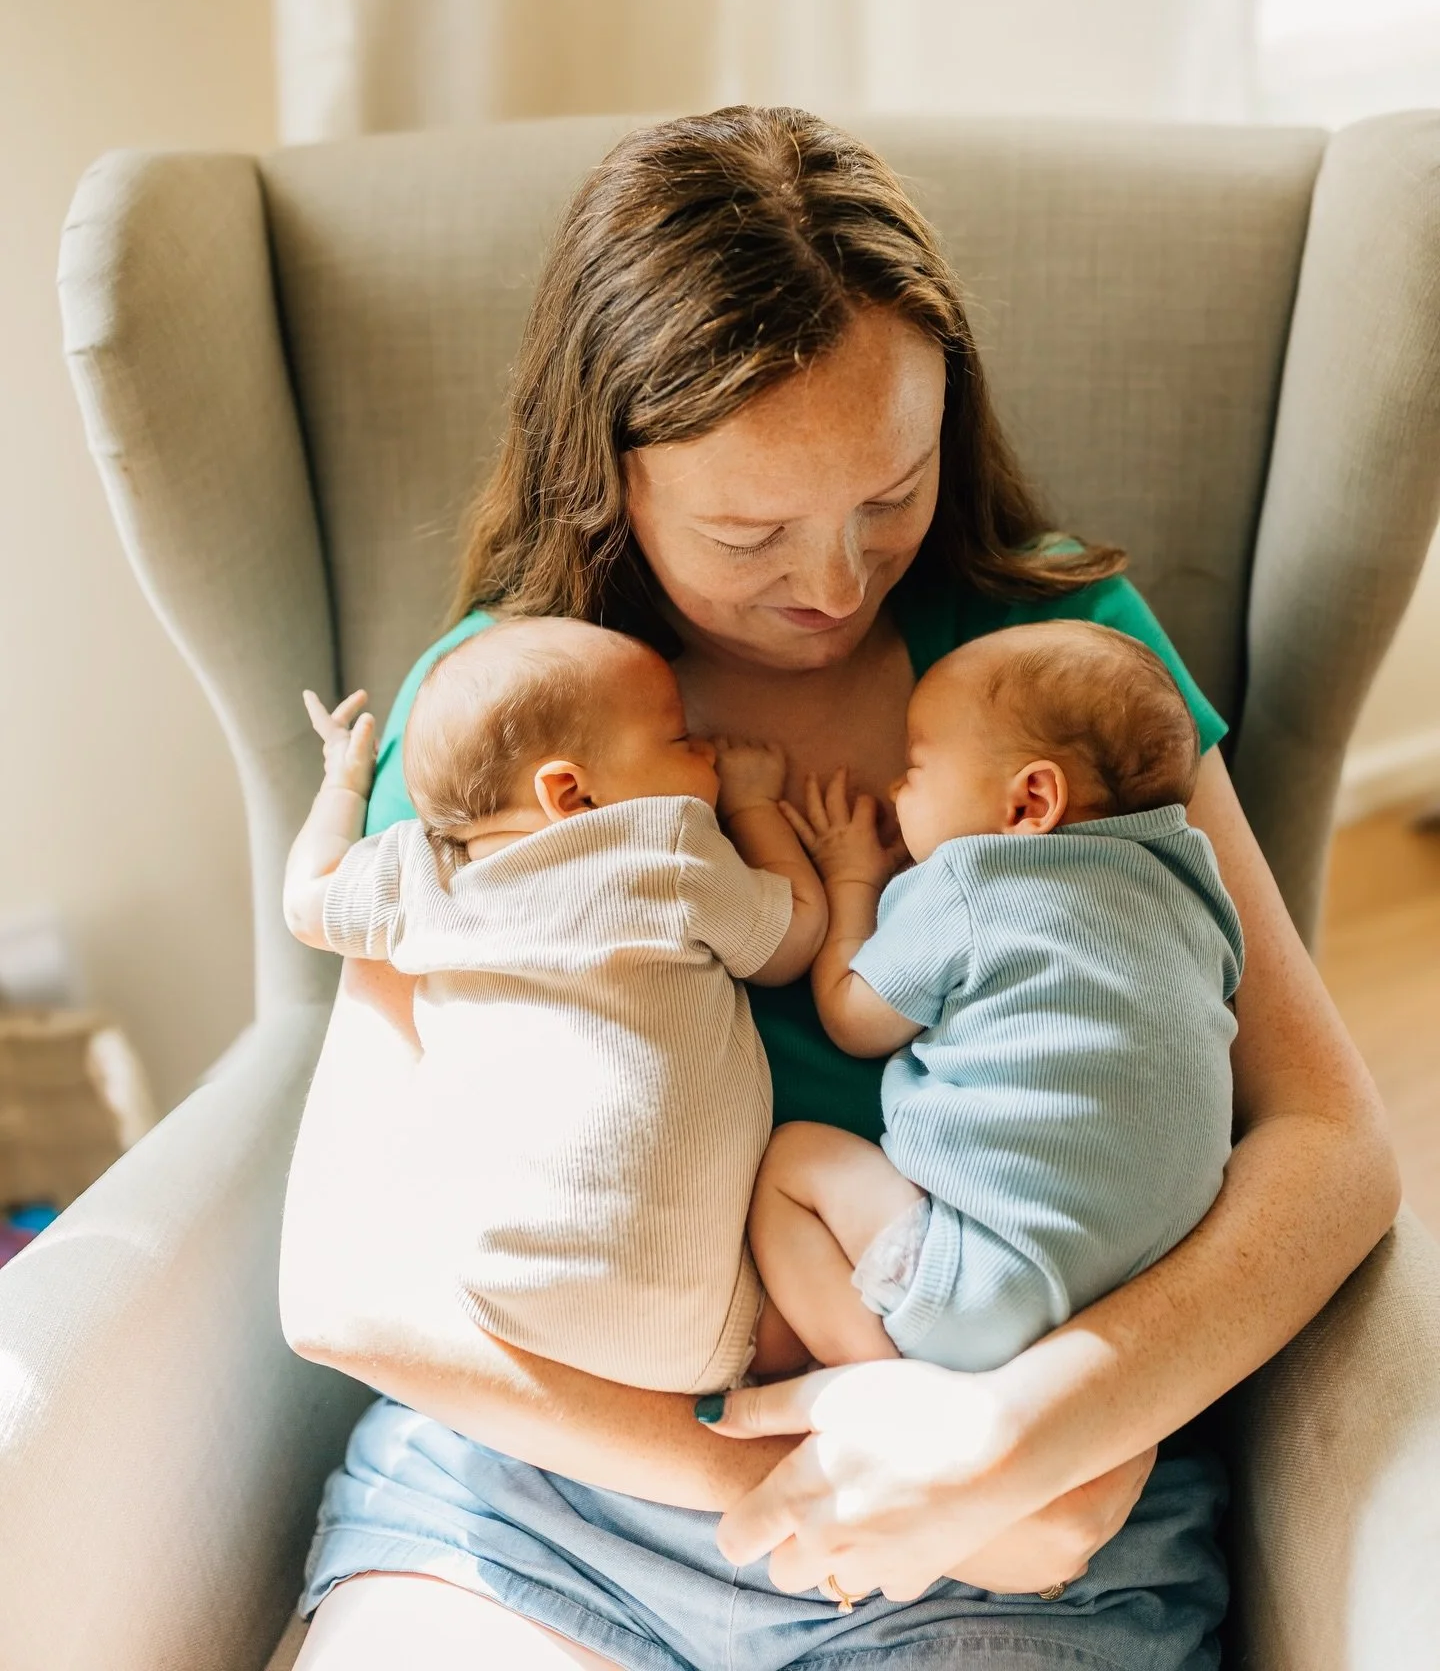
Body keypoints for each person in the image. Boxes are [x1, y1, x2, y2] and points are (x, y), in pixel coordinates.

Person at [279, 106, 1399, 1671]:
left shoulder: (1060, 657)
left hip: (1021, 1530)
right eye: (748, 531)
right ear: (611, 479)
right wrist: (793, 1482)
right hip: (556, 1498)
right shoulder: (506, 706)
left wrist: (1027, 1439)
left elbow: (1329, 1143)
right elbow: (345, 1279)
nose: (832, 581)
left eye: (893, 491)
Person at [280, 615, 822, 1392]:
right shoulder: (661, 847)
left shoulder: (417, 877)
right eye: (680, 741)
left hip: (487, 1298)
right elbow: (793, 942)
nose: (706, 749)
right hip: (699, 1322)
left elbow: (306, 903)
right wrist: (759, 807)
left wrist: (343, 782)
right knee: (824, 1203)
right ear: (570, 792)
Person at [746, 619, 1242, 1377]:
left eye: (916, 764)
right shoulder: (1194, 897)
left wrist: (852, 877)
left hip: (983, 1289)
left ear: (1029, 801)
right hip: (1142, 1299)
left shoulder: (973, 882)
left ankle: (874, 1387)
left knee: (792, 1165)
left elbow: (852, 1015)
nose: (896, 786)